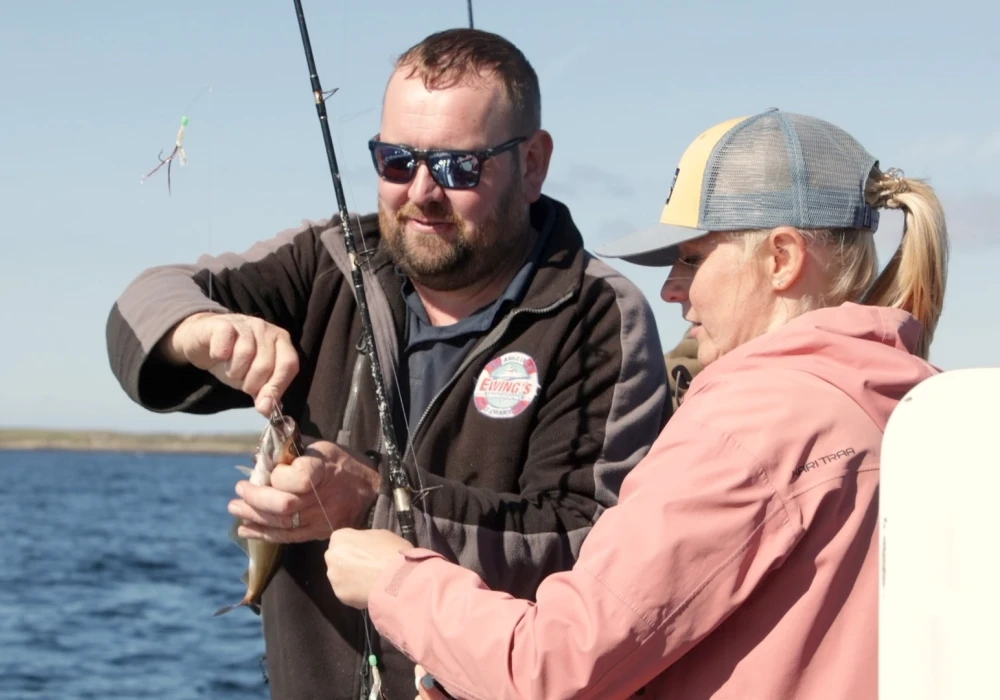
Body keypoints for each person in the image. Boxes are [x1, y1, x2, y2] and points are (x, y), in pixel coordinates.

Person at [104, 27, 670, 700]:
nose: (422, 191)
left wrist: (375, 501)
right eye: (396, 161)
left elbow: (590, 546)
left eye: (459, 167)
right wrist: (198, 332)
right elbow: (144, 304)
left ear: (533, 164)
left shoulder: (597, 315)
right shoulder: (327, 261)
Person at [324, 108, 950, 699]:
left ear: (781, 259)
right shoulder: (915, 406)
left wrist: (395, 580)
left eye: (691, 258)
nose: (672, 289)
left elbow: (556, 667)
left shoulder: (751, 423)